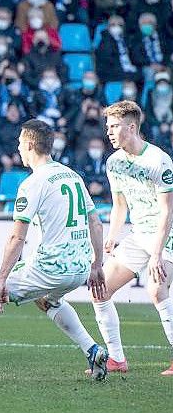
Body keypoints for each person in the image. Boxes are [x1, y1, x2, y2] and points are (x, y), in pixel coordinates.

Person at [0, 119, 109, 383]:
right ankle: (92, 350)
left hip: (51, 267)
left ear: (28, 145)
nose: (17, 147)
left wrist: (1, 279)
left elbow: (18, 236)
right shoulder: (72, 175)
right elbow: (95, 222)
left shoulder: (32, 183)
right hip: (81, 268)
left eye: (19, 142)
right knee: (47, 300)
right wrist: (97, 265)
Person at [91, 101, 173, 376]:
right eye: (108, 127)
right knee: (99, 290)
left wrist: (157, 253)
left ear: (132, 127)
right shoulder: (113, 163)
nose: (109, 133)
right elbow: (119, 206)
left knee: (156, 289)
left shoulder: (159, 161)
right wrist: (111, 238)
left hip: (166, 233)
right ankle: (116, 359)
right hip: (139, 234)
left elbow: (167, 210)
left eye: (115, 127)